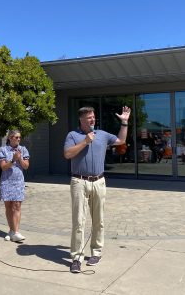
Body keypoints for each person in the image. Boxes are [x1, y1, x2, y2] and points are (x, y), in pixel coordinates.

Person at [64, 106, 131, 273]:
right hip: (79, 181)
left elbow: (121, 141)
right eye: (89, 118)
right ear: (81, 119)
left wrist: (124, 123)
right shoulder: (73, 135)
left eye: (93, 117)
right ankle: (77, 257)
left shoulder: (102, 134)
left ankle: (96, 252)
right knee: (79, 221)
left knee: (98, 220)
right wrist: (85, 141)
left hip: (99, 181)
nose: (92, 120)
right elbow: (67, 154)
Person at [0, 130, 30, 242]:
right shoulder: (3, 150)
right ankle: (11, 231)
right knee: (8, 206)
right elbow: (3, 167)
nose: (18, 139)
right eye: (16, 137)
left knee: (17, 206)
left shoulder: (23, 149)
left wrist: (20, 158)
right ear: (10, 138)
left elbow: (26, 166)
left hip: (18, 181)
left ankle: (16, 232)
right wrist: (13, 159)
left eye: (19, 137)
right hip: (6, 181)